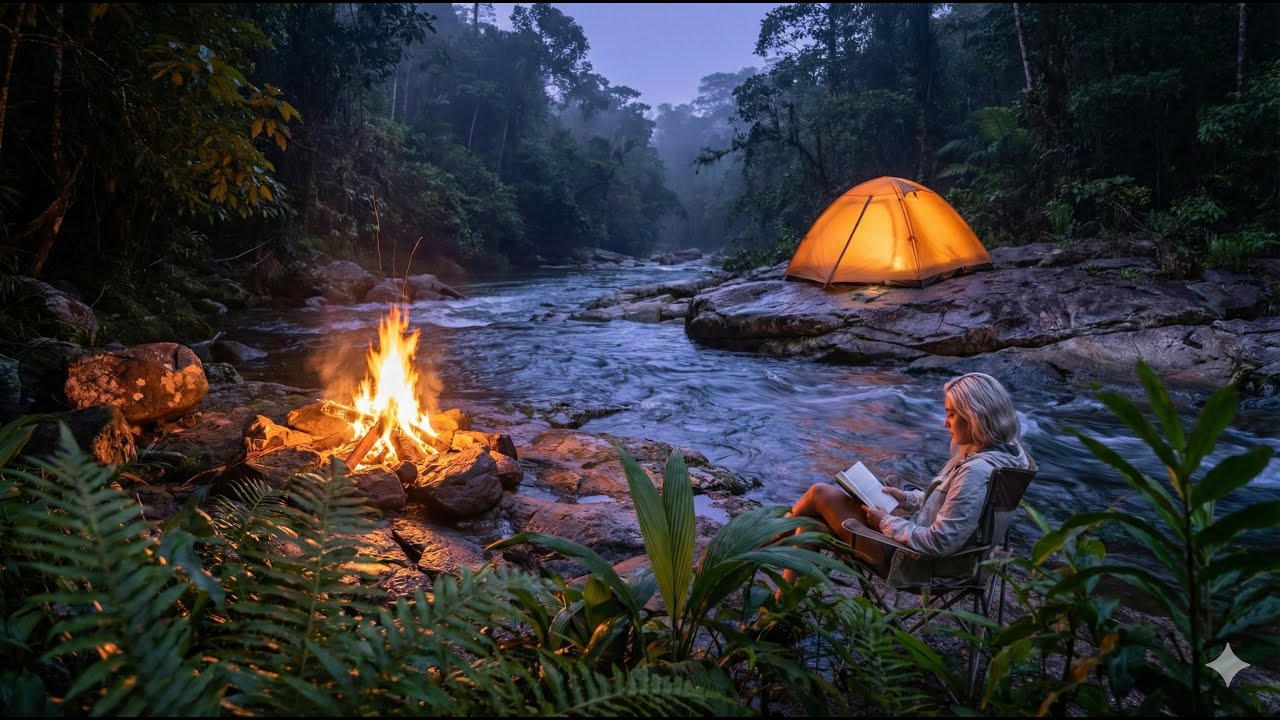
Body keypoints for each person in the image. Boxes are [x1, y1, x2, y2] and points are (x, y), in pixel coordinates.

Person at [779, 372, 1036, 591]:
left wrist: (885, 522)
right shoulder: (1012, 457)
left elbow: (940, 542)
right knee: (809, 527)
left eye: (951, 414)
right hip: (967, 561)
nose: (945, 422)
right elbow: (964, 510)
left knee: (820, 493)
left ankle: (768, 538)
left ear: (975, 416)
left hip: (917, 564)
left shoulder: (976, 471)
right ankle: (778, 616)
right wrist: (908, 499)